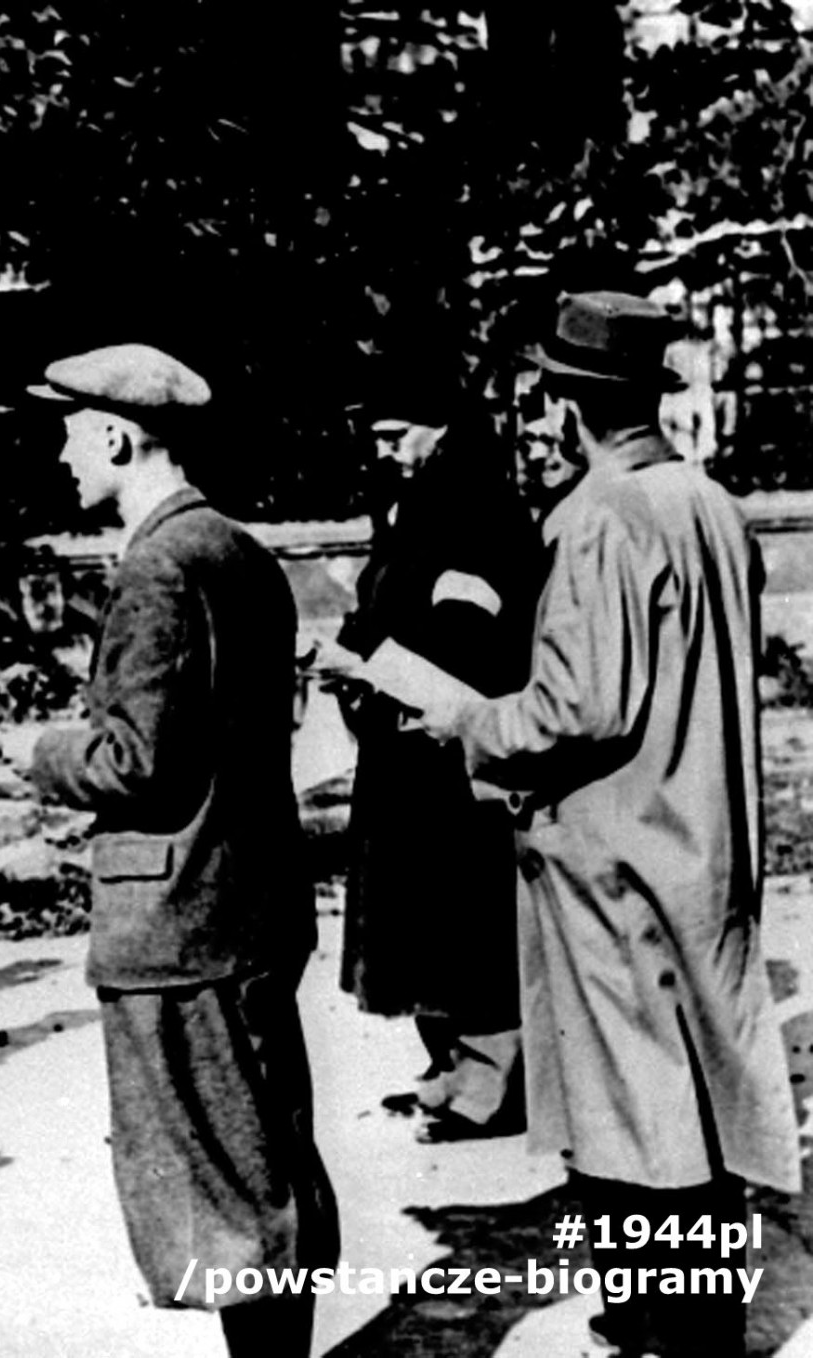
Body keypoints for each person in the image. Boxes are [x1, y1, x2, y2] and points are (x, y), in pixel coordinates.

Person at [417, 291, 803, 1356]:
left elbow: (578, 707)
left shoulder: (595, 517)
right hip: (702, 844)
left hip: (614, 864)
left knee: (633, 1113)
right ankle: (698, 1320)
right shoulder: (711, 502)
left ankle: (656, 1330)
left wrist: (465, 717)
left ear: (566, 403)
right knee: (698, 1093)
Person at [0, 344, 338, 1358]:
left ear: (113, 434)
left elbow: (138, 759)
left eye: (68, 429)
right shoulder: (237, 548)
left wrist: (41, 752)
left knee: (223, 1184)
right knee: (264, 1161)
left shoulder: (157, 565)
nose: (60, 451)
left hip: (180, 920)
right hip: (248, 899)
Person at [333, 369, 541, 1142]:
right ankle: (450, 1067)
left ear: (445, 427)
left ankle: (491, 1086)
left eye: (398, 436)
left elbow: (471, 633)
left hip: (452, 739)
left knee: (465, 915)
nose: (386, 451)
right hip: (404, 737)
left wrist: (379, 660)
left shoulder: (478, 507)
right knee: (422, 912)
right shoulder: (413, 505)